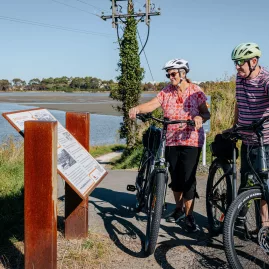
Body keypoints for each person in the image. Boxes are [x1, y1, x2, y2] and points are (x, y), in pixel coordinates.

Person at [129, 58, 210, 232]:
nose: (170, 77)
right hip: (172, 138)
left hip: (192, 140)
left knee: (188, 178)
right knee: (176, 177)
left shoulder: (196, 91)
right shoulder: (167, 91)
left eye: (173, 73)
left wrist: (199, 118)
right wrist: (137, 108)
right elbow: (152, 105)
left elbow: (206, 113)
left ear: (183, 73)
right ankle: (178, 209)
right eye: (168, 74)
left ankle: (189, 216)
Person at [229, 42, 269, 225]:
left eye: (240, 62)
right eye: (235, 62)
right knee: (246, 180)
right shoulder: (239, 78)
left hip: (265, 141)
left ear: (253, 61)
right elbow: (239, 102)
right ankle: (238, 215)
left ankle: (264, 224)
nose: (237, 66)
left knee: (264, 183)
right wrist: (234, 125)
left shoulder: (265, 80)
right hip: (246, 138)